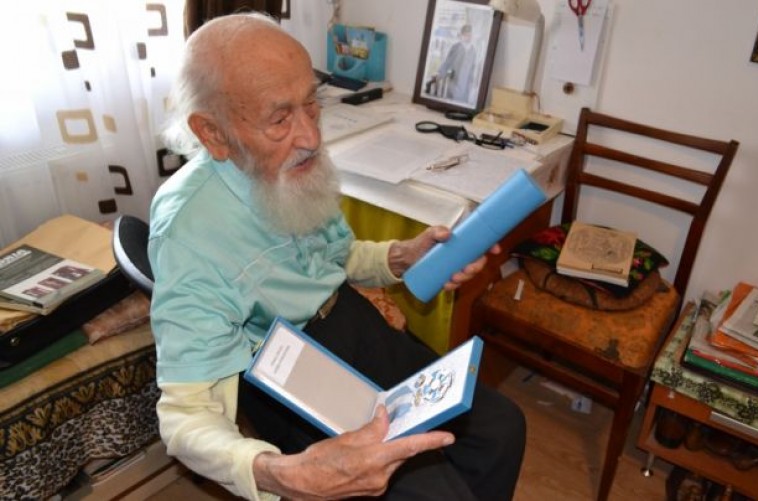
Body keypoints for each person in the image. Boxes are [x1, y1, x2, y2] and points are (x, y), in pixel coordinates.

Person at [150, 12, 526, 501]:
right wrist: (282, 473)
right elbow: (185, 416)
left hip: (352, 320)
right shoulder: (189, 232)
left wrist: (404, 256)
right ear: (213, 134)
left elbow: (336, 256)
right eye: (280, 119)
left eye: (312, 104)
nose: (311, 137)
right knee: (434, 492)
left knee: (501, 428)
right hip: (289, 369)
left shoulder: (293, 165)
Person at [437, 23, 477, 103]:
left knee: (462, 102)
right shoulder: (456, 47)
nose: (467, 37)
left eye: (469, 35)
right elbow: (448, 62)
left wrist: (472, 82)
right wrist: (441, 74)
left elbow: (472, 69)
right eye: (465, 35)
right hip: (453, 82)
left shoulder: (473, 51)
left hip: (465, 86)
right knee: (451, 99)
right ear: (462, 35)